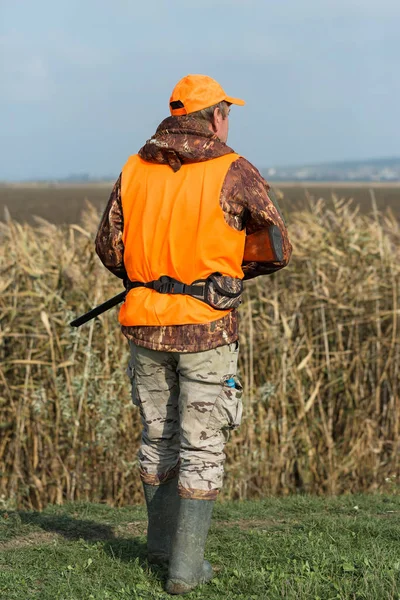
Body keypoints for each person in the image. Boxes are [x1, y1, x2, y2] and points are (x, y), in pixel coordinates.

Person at [95, 74, 292, 595]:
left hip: (145, 321)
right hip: (206, 326)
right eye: (228, 111)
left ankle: (158, 549)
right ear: (215, 115)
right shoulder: (234, 170)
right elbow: (276, 245)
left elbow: (107, 247)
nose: (230, 121)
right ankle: (184, 571)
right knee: (201, 444)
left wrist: (151, 276)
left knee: (157, 433)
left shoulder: (133, 168)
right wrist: (226, 273)